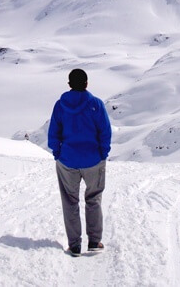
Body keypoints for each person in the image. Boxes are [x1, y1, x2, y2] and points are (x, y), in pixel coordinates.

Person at [48, 68, 112, 257]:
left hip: (67, 161)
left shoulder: (60, 106)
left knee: (70, 202)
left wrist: (58, 154)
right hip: (93, 160)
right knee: (93, 199)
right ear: (86, 83)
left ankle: (74, 245)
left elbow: (53, 134)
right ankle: (94, 241)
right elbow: (105, 132)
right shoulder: (96, 105)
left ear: (69, 84)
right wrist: (102, 154)